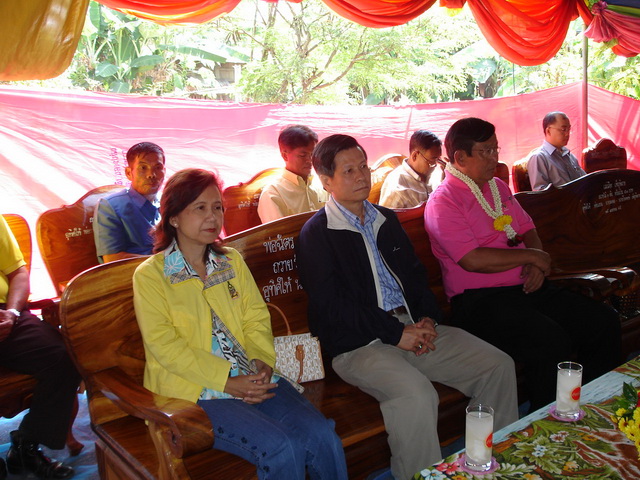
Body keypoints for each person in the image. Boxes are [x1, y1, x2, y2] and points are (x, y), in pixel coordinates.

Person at [296, 134, 518, 480]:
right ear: (326, 181)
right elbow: (333, 306)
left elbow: (415, 277)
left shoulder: (385, 219)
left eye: (363, 166)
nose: (361, 176)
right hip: (360, 346)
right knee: (416, 394)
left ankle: (486, 463)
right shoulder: (317, 234)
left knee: (497, 366)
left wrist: (427, 318)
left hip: (414, 329)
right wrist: (395, 333)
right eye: (348, 171)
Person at [132, 168, 347, 480]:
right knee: (282, 446)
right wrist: (227, 381)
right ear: (174, 218)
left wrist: (261, 361)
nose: (212, 217)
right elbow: (165, 346)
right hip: (193, 391)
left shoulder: (230, 261)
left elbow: (255, 317)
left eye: (217, 207)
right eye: (200, 208)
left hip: (250, 377)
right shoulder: (152, 275)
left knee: (322, 435)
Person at [425, 117, 621, 412]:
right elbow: (472, 259)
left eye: (495, 149)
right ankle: (548, 423)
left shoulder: (497, 187)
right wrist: (531, 257)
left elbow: (528, 229)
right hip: (481, 302)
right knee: (549, 341)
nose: (495, 158)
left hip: (527, 289)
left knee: (602, 321)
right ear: (460, 158)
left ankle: (596, 408)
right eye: (486, 151)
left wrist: (537, 263)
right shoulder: (444, 202)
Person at [0, 216, 80, 479]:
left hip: (5, 314)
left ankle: (26, 447)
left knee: (64, 357)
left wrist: (12, 313)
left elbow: (18, 272)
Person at [94, 142, 166, 263]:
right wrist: (166, 261)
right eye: (143, 168)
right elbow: (112, 259)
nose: (151, 175)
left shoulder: (168, 203)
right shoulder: (110, 206)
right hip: (134, 273)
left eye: (158, 168)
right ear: (128, 173)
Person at [257, 125, 327, 223]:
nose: (310, 160)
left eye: (313, 154)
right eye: (303, 155)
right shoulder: (273, 193)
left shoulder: (321, 184)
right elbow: (279, 232)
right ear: (285, 155)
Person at [379, 130, 443, 208]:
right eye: (431, 161)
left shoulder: (436, 175)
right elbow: (387, 215)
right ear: (415, 156)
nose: (435, 165)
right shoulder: (397, 186)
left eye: (438, 159)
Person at [526, 112, 586, 190]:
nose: (567, 134)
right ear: (548, 131)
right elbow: (540, 193)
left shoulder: (570, 156)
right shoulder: (539, 158)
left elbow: (585, 180)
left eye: (569, 129)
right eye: (563, 130)